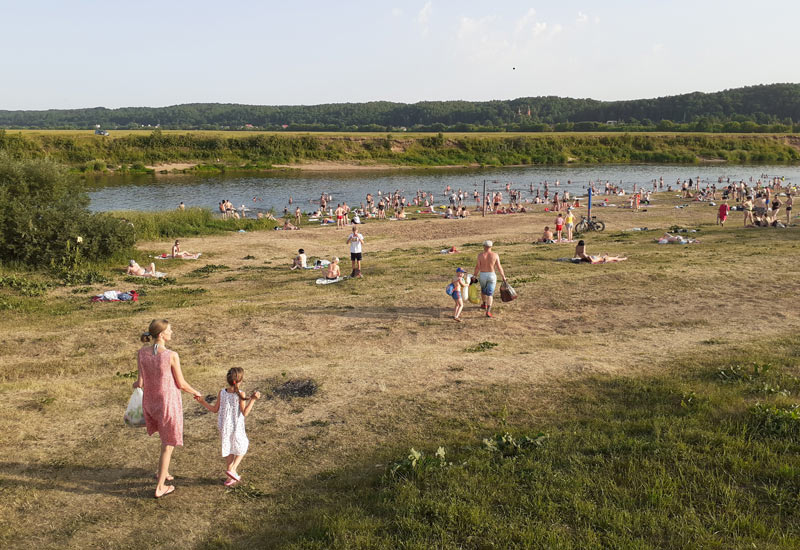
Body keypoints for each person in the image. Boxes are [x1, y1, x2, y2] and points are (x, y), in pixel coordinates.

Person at [134, 320, 203, 498]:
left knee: (164, 440)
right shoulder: (171, 355)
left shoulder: (141, 353)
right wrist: (196, 392)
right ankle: (160, 487)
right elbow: (181, 384)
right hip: (167, 403)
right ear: (161, 335)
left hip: (150, 402)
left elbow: (139, 382)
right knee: (168, 444)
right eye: (169, 330)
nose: (171, 332)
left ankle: (162, 472)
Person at [194, 367, 261, 486]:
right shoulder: (241, 394)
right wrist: (253, 400)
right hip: (235, 426)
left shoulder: (222, 392)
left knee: (229, 448)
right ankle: (232, 469)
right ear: (241, 380)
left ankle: (230, 478)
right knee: (243, 445)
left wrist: (202, 402)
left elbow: (214, 409)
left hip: (223, 426)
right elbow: (245, 413)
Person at [473, 240, 507, 318]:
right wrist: (503, 277)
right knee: (490, 294)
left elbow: (477, 267)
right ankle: (488, 311)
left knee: (483, 290)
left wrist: (474, 276)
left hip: (483, 275)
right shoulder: (495, 255)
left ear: (484, 246)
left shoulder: (480, 255)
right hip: (492, 275)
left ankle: (484, 304)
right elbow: (499, 267)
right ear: (491, 246)